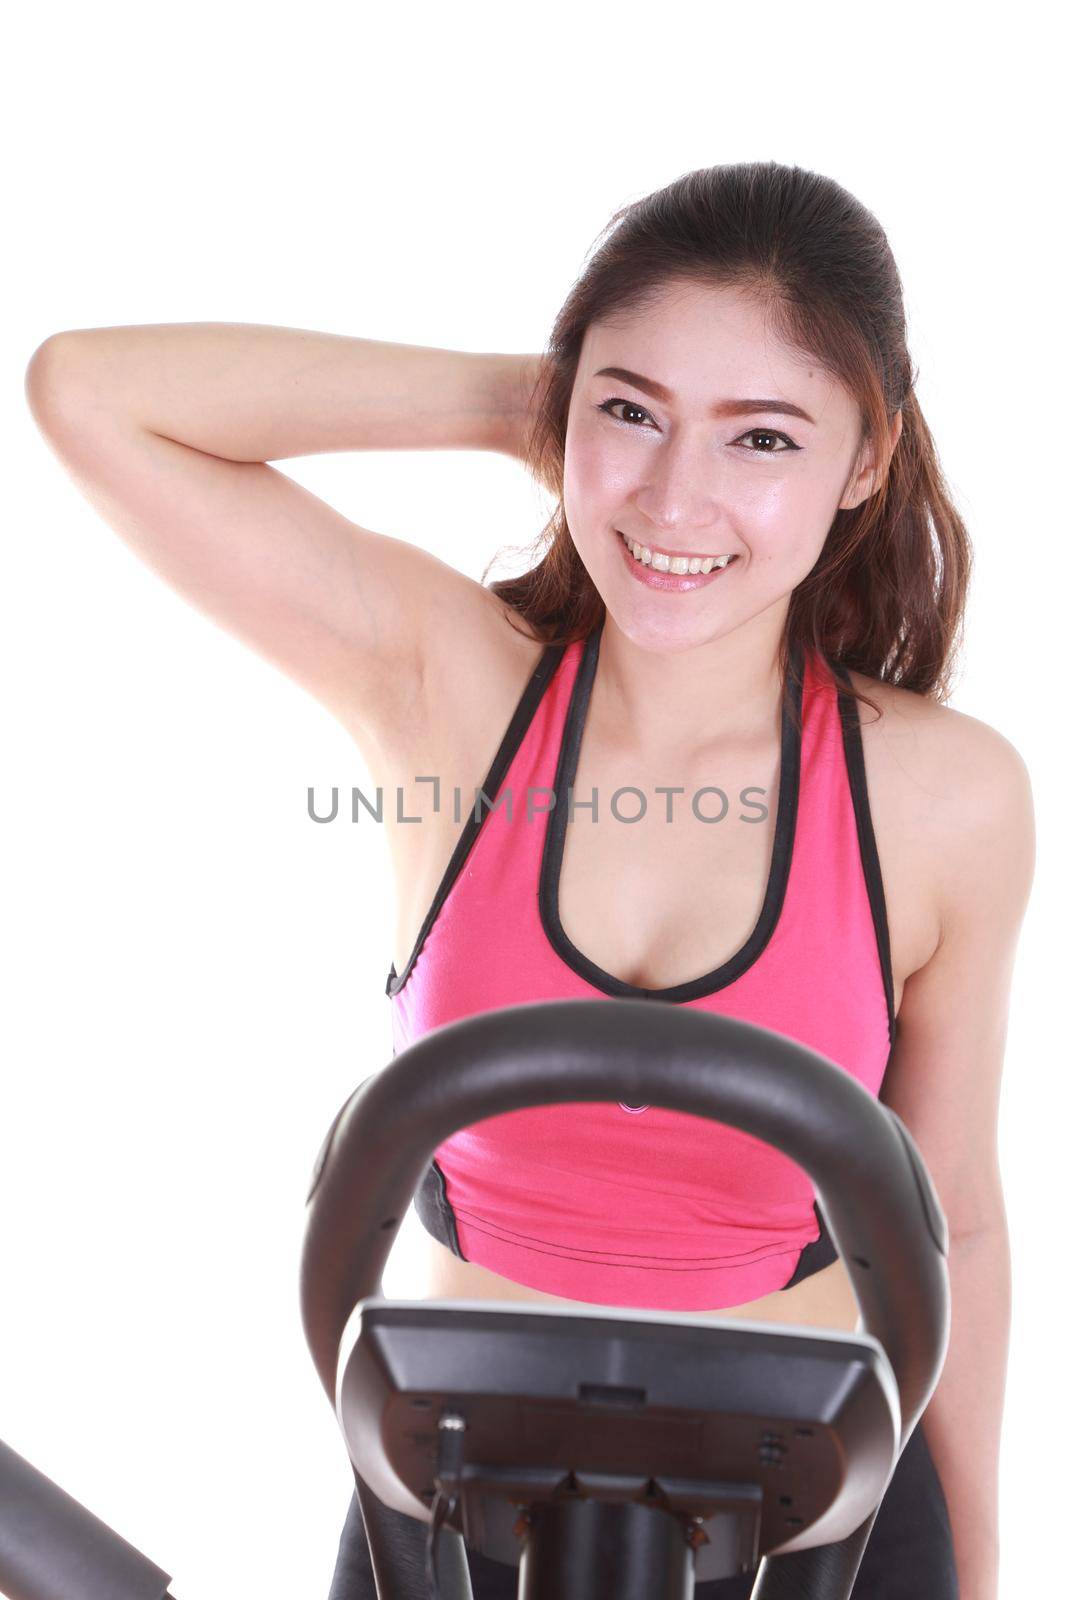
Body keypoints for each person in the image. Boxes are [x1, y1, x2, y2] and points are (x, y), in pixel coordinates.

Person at [25, 161, 1032, 1599]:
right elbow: (90, 395)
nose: (675, 497)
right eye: (631, 411)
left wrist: (983, 1563)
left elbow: (958, 1215)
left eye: (762, 438)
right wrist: (520, 401)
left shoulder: (946, 796)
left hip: (816, 1510)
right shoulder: (444, 684)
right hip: (458, 1492)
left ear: (865, 462)